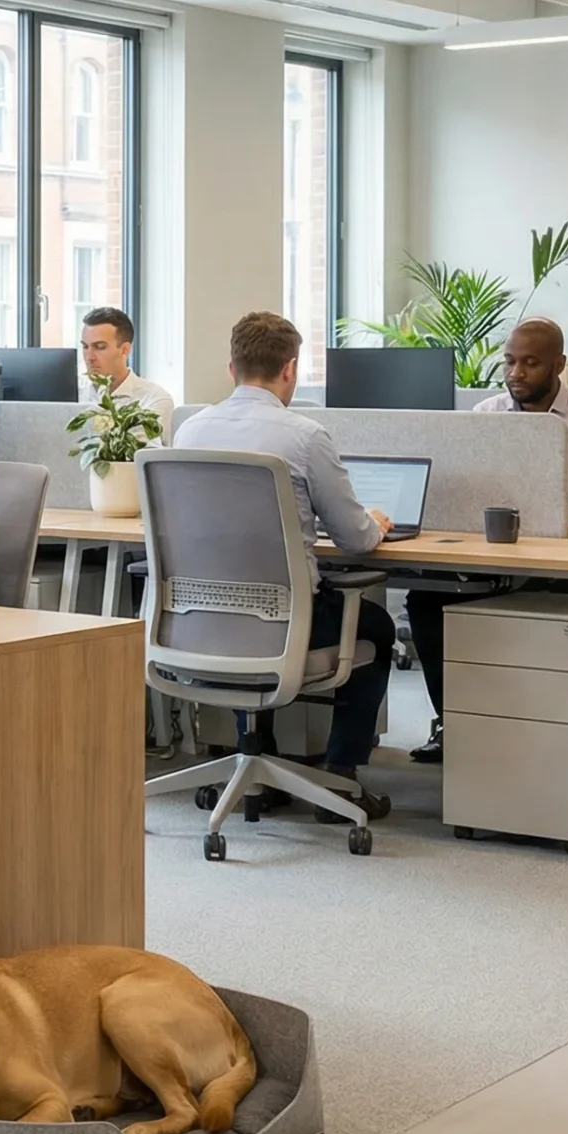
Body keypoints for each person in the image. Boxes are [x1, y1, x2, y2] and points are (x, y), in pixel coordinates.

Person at [172, 312, 396, 817]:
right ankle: (340, 775)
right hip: (284, 621)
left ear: (231, 368)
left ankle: (259, 767)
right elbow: (356, 540)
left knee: (244, 615)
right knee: (377, 627)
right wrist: (376, 522)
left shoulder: (189, 432)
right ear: (290, 370)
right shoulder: (304, 436)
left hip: (201, 622)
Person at [407, 318, 568, 763]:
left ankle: (555, 738)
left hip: (565, 563)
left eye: (530, 363)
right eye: (509, 361)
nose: (516, 373)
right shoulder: (486, 416)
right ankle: (455, 721)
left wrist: (540, 506)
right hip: (491, 556)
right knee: (426, 599)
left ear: (558, 365)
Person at [78, 306, 176, 444]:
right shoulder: (75, 399)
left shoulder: (154, 400)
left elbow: (134, 453)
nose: (89, 357)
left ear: (125, 350)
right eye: (85, 347)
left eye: (100, 347)